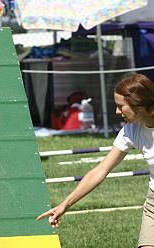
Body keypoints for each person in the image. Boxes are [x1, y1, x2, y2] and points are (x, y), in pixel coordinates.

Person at [37, 73, 154, 248]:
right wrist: (64, 205)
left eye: (120, 106)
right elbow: (100, 171)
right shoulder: (131, 131)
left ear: (139, 104)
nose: (117, 111)